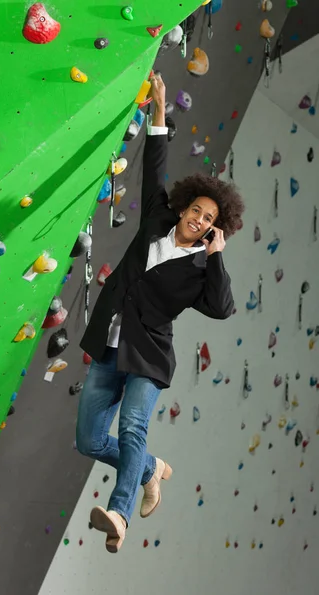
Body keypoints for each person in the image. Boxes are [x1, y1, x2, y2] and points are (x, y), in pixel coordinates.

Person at [76, 73, 244, 553]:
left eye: (210, 219)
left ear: (216, 228)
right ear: (185, 206)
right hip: (109, 344)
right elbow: (155, 161)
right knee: (88, 442)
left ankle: (119, 516)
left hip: (149, 356)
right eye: (196, 210)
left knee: (131, 428)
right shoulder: (156, 218)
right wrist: (158, 108)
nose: (199, 219)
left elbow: (223, 307)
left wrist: (215, 258)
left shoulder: (200, 270)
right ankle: (150, 469)